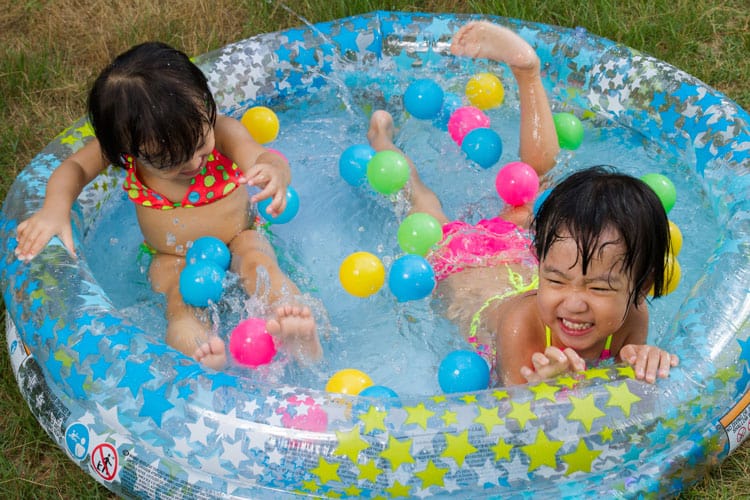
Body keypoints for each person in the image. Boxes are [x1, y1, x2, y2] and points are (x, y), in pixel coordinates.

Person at [366, 21, 678, 386]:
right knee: (424, 201)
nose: (574, 304)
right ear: (541, 259)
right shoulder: (520, 328)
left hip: (511, 262)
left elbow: (624, 380)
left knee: (532, 185)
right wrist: (547, 386)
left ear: (642, 285)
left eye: (598, 288)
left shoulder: (634, 316)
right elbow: (513, 419)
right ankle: (382, 139)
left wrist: (645, 359)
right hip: (461, 265)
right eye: (556, 280)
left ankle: (527, 72)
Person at [14, 42, 322, 370]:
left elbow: (261, 155)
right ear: (126, 150)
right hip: (170, 256)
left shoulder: (224, 130)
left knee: (259, 264)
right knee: (179, 297)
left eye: (201, 144)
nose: (192, 162)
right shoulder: (128, 141)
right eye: (168, 160)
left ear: (205, 106)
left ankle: (295, 329)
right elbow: (73, 169)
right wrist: (55, 208)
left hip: (240, 235)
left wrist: (274, 171)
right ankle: (200, 356)